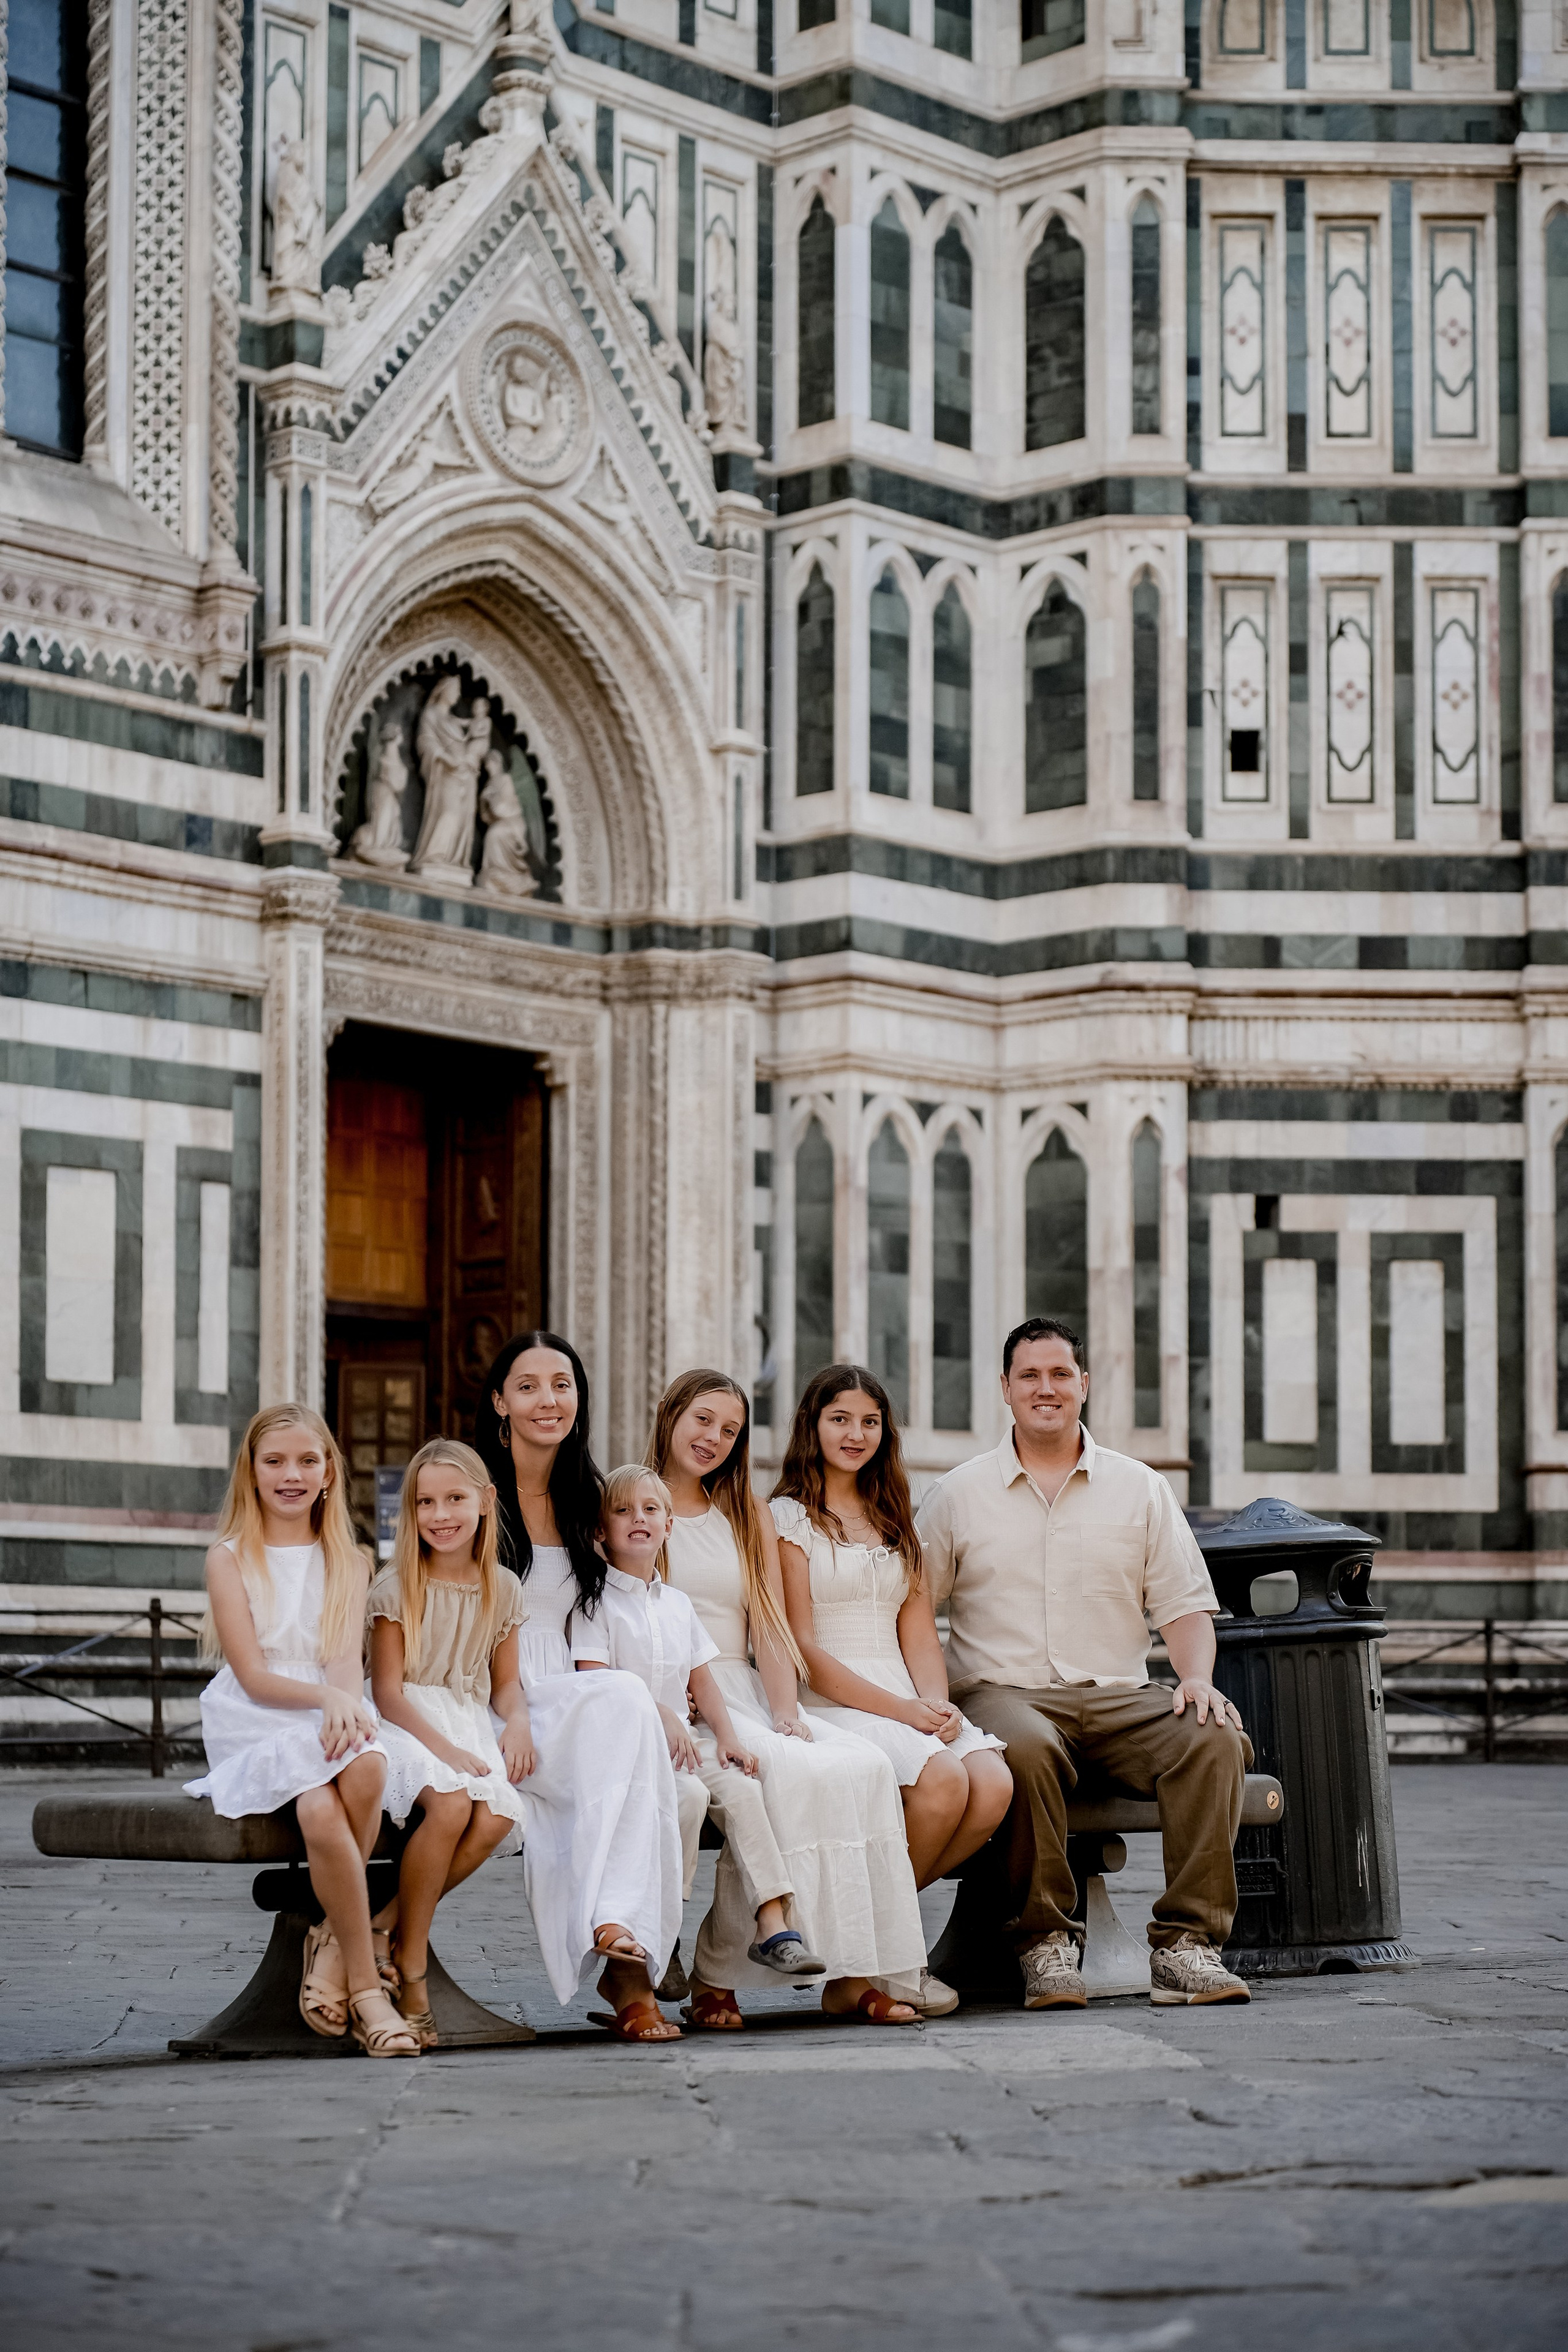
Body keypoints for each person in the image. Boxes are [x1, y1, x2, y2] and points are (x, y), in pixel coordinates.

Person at [918, 1317, 1254, 2011]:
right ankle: (1044, 1943)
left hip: (1118, 1698)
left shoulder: (1140, 1488)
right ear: (1004, 1390)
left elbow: (1184, 1605)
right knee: (1027, 1745)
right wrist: (929, 1702)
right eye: (1030, 1376)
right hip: (1001, 1692)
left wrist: (1194, 1678)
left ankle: (1187, 1946)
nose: (1046, 1388)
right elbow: (913, 1609)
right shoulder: (957, 1492)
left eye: (1060, 1374)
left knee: (1213, 1737)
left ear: (1084, 1385)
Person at [649, 1370, 929, 2029]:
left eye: (729, 1430)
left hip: (743, 1687)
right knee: (772, 1776)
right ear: (668, 1416)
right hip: (671, 1693)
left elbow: (770, 1629)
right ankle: (719, 1979)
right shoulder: (634, 1501)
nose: (713, 1438)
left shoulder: (743, 1510)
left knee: (857, 1766)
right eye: (701, 1421)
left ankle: (855, 1968)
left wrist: (784, 1711)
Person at [772, 1366, 1014, 2017]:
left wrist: (934, 1706)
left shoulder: (894, 1518)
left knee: (990, 1782)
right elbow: (804, 1653)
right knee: (943, 1783)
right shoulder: (787, 1520)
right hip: (833, 1702)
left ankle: (867, 1953)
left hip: (904, 1693)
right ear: (812, 1426)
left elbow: (920, 1637)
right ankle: (886, 1963)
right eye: (840, 1419)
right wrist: (903, 1712)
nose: (856, 1434)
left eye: (870, 1422)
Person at [186, 1406, 418, 2057]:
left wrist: (342, 1706)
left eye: (307, 1461)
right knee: (320, 1803)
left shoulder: (350, 1559)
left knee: (368, 1767)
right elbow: (254, 1677)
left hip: (327, 1705)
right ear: (251, 1471)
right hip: (258, 1716)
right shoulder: (229, 1558)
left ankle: (329, 1941)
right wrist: (327, 1700)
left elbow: (345, 1662)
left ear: (329, 1473)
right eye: (275, 1461)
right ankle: (368, 1989)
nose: (292, 1475)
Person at [477, 1332, 684, 2041]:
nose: (547, 1400)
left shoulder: (591, 1498)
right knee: (624, 1717)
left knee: (628, 1716)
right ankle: (629, 1969)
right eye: (528, 1385)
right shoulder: (473, 1493)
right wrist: (512, 1715)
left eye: (561, 1384)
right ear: (500, 1400)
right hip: (491, 1689)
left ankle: (618, 1932)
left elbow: (636, 1601)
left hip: (573, 1688)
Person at [573, 1465, 797, 2040]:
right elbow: (596, 1683)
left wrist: (726, 1736)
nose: (638, 1520)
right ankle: (659, 1936)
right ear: (601, 1531)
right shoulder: (594, 1604)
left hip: (686, 1747)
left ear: (669, 1526)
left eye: (650, 1510)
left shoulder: (676, 1604)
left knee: (743, 1791)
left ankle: (774, 1919)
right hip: (631, 1752)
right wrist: (664, 1715)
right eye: (623, 1512)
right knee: (690, 1798)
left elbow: (703, 1679)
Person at [367, 1439, 533, 2047]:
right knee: (453, 1800)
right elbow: (387, 1694)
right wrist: (445, 1751)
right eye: (425, 1502)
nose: (441, 1515)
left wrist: (516, 1723)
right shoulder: (394, 1588)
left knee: (497, 1814)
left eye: (455, 1499)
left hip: (466, 1717)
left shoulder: (505, 1588)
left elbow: (507, 1685)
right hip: (407, 1720)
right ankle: (411, 1972)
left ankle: (387, 1928)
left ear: (486, 1502)